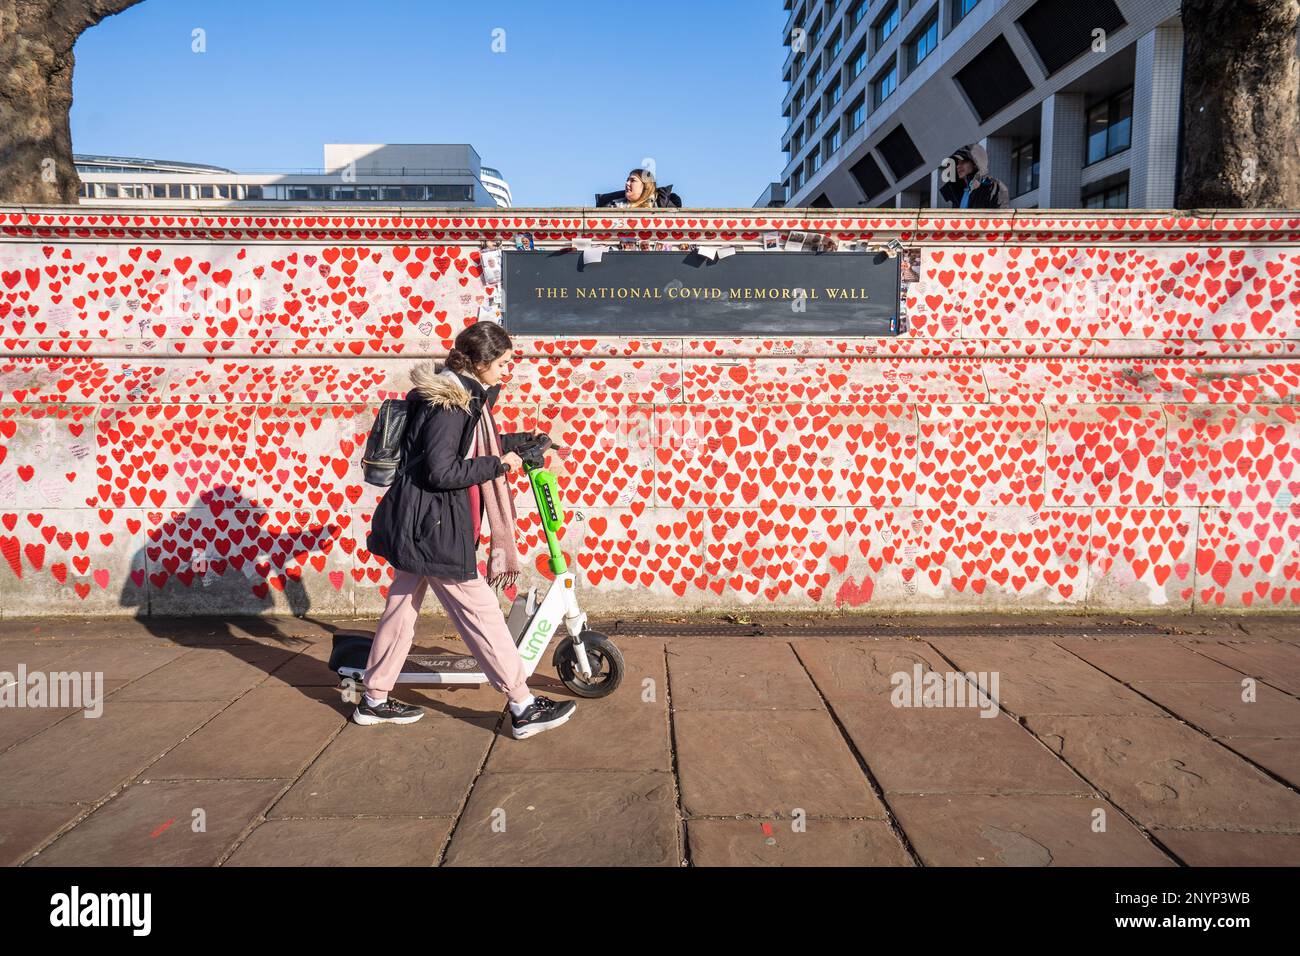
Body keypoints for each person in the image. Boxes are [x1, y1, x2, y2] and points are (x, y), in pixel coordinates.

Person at [362, 322, 578, 738]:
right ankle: (522, 705)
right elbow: (442, 470)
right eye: (503, 362)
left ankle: (373, 698)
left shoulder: (462, 395)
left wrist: (524, 441)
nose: (507, 370)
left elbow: (478, 443)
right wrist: (502, 465)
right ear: (479, 363)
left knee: (401, 611)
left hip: (421, 522)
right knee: (482, 615)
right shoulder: (451, 403)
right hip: (436, 527)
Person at [938, 144, 1009, 209]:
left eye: (963, 162)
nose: (958, 166)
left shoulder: (994, 186)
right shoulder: (958, 191)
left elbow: (1001, 218)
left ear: (975, 163)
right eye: (957, 163)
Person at [596, 168, 682, 208]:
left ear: (646, 186)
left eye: (632, 180)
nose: (627, 183)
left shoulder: (664, 206)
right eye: (627, 180)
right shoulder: (612, 206)